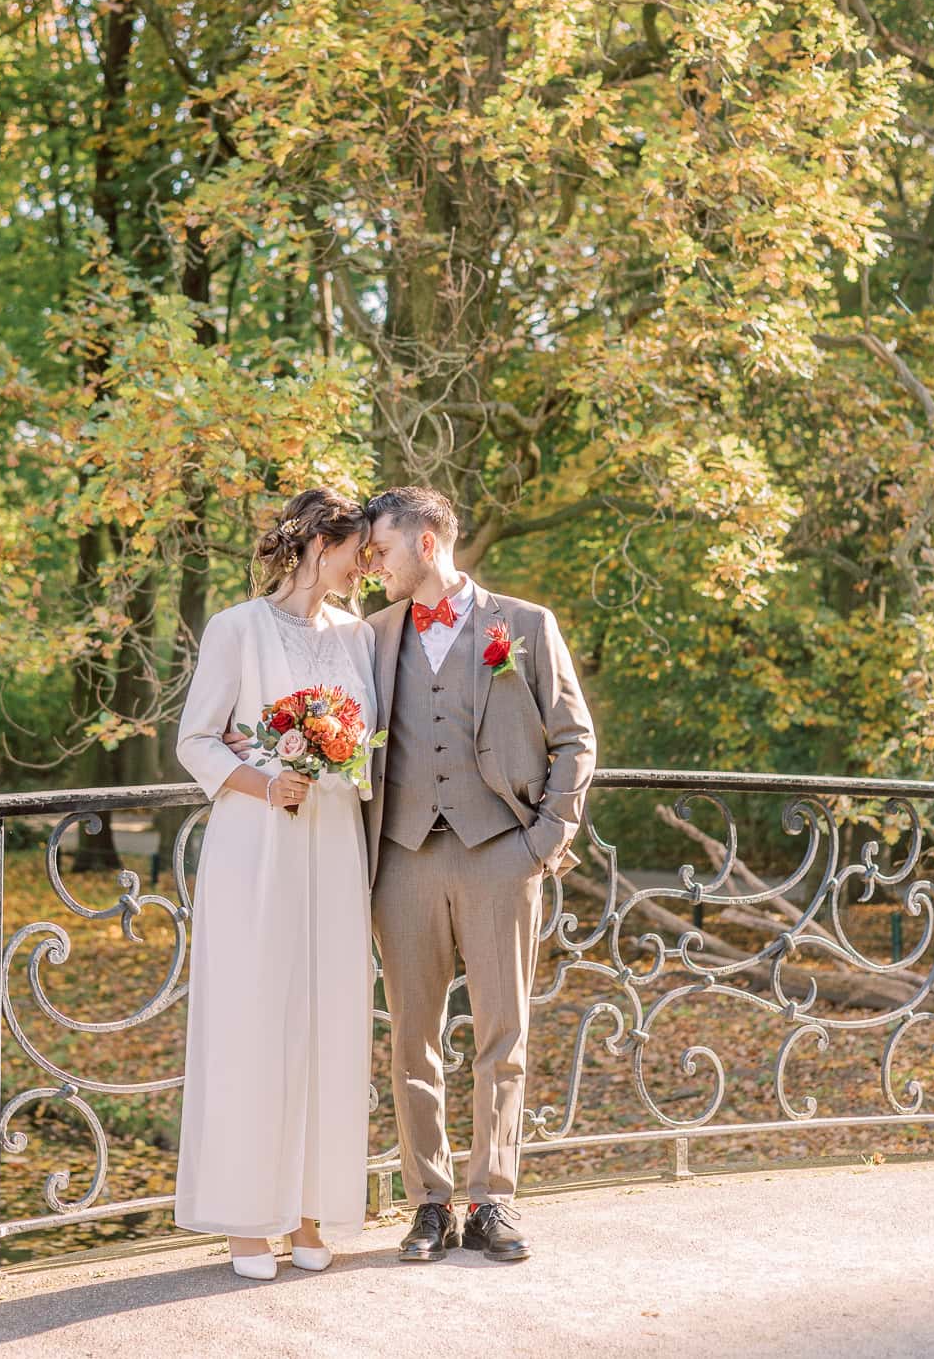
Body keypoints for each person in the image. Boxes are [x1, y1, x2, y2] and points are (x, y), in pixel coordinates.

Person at [363, 485, 596, 1264]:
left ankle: (492, 1198)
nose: (374, 565)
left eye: (382, 549)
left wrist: (543, 842)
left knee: (504, 1033)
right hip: (402, 858)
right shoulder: (372, 635)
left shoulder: (523, 626)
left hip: (502, 850)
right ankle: (430, 1201)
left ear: (426, 543)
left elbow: (575, 739)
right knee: (412, 1039)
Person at [173, 487, 377, 1281]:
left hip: (333, 844)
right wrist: (267, 783)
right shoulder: (236, 628)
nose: (365, 563)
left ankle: (311, 1208)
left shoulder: (357, 636)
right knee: (255, 1017)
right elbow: (195, 739)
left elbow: (369, 742)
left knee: (329, 1014)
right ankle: (248, 1218)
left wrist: (341, 761)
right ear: (316, 545)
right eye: (356, 548)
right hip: (256, 843)